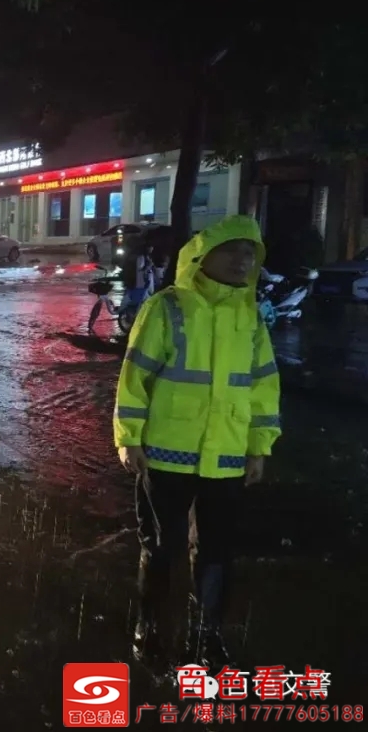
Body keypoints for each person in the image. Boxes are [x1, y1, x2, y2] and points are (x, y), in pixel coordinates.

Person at [113, 215, 282, 668]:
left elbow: (264, 385)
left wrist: (259, 445)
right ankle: (149, 626)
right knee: (162, 545)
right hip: (166, 454)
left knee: (215, 552)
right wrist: (129, 439)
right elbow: (135, 378)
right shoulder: (167, 307)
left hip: (226, 457)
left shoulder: (250, 317)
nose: (243, 261)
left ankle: (207, 634)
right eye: (233, 251)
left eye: (250, 254)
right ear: (203, 258)